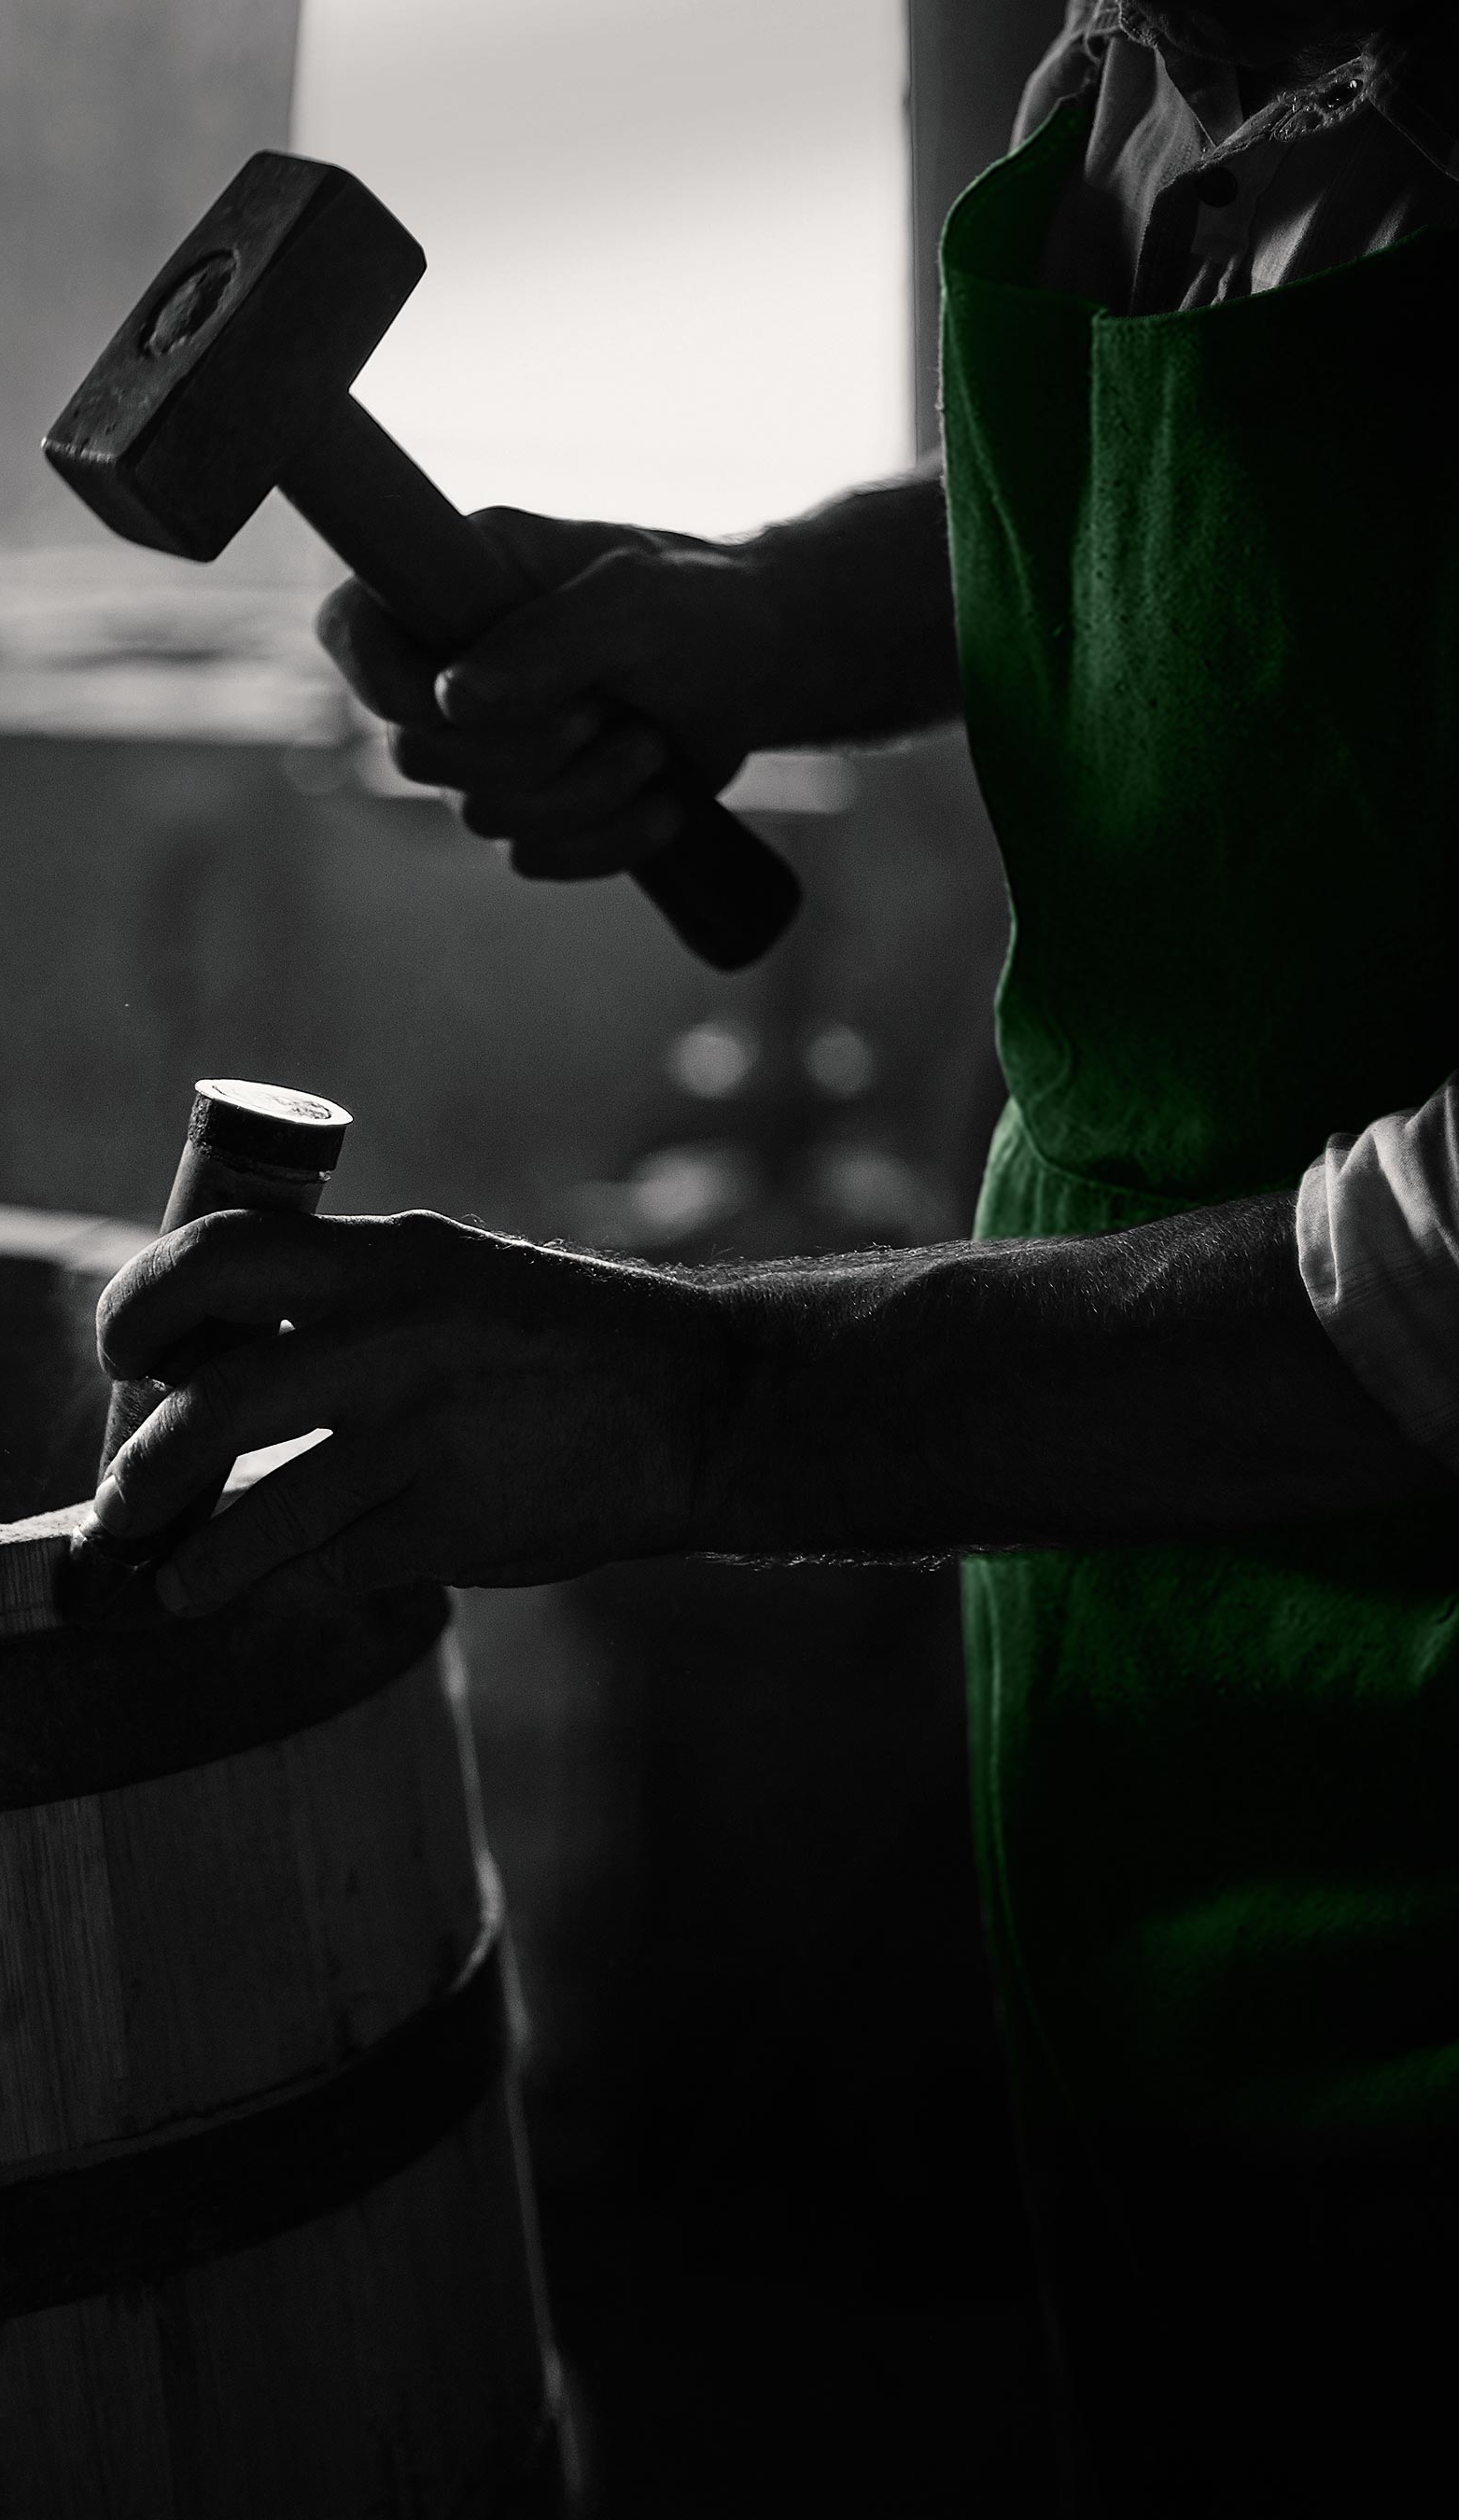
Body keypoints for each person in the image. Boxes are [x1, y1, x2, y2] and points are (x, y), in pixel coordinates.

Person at [81, 3, 1459, 2507]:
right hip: (1133, 1563)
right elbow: (1281, 448)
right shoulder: (1146, 63)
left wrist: (705, 1404)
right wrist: (756, 615)